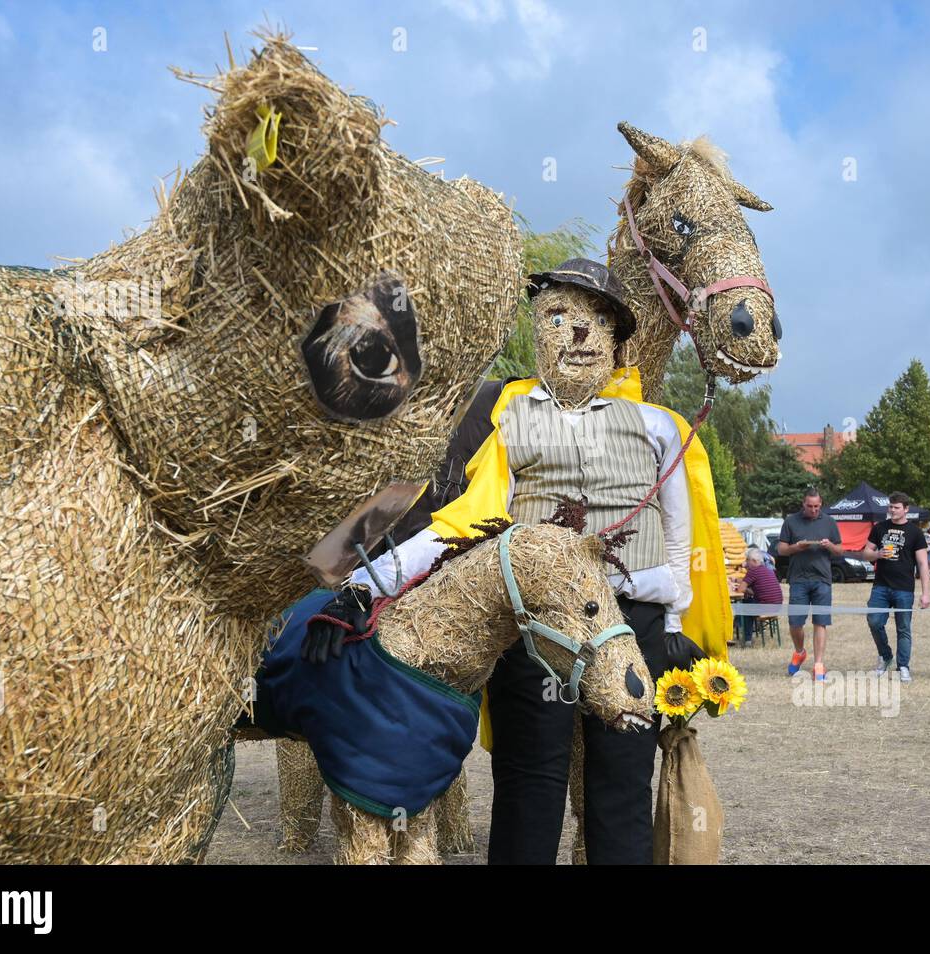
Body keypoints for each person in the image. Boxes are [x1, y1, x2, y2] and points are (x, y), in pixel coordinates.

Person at [309, 258, 726, 865]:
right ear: (536, 331)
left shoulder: (664, 427)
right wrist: (364, 585)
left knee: (621, 779)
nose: (577, 333)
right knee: (531, 775)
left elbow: (684, 541)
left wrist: (674, 628)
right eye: (558, 317)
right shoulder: (509, 417)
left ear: (615, 339)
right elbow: (465, 522)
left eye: (593, 321)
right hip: (535, 624)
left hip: (630, 621)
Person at [858, 491, 930, 683]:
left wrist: (925, 593)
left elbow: (923, 564)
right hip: (880, 585)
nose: (892, 510)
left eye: (896, 507)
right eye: (890, 506)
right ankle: (886, 655)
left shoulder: (915, 532)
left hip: (904, 588)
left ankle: (903, 666)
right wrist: (878, 555)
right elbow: (866, 553)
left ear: (906, 509)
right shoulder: (880, 528)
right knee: (874, 620)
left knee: (903, 628)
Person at [777, 489, 842, 681]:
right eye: (809, 506)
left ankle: (819, 664)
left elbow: (840, 550)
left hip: (822, 579)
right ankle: (799, 652)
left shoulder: (829, 522)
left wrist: (829, 545)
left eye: (817, 506)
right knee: (795, 622)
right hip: (798, 579)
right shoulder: (791, 521)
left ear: (821, 504)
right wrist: (796, 547)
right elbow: (781, 549)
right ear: (803, 504)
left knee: (820, 622)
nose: (813, 510)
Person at [738, 546, 782, 647]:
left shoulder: (753, 571)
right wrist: (751, 591)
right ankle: (747, 631)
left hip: (766, 607)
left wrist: (748, 590)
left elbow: (741, 589)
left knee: (746, 605)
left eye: (747, 560)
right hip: (777, 606)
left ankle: (747, 639)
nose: (746, 563)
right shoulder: (768, 570)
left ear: (753, 561)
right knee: (750, 602)